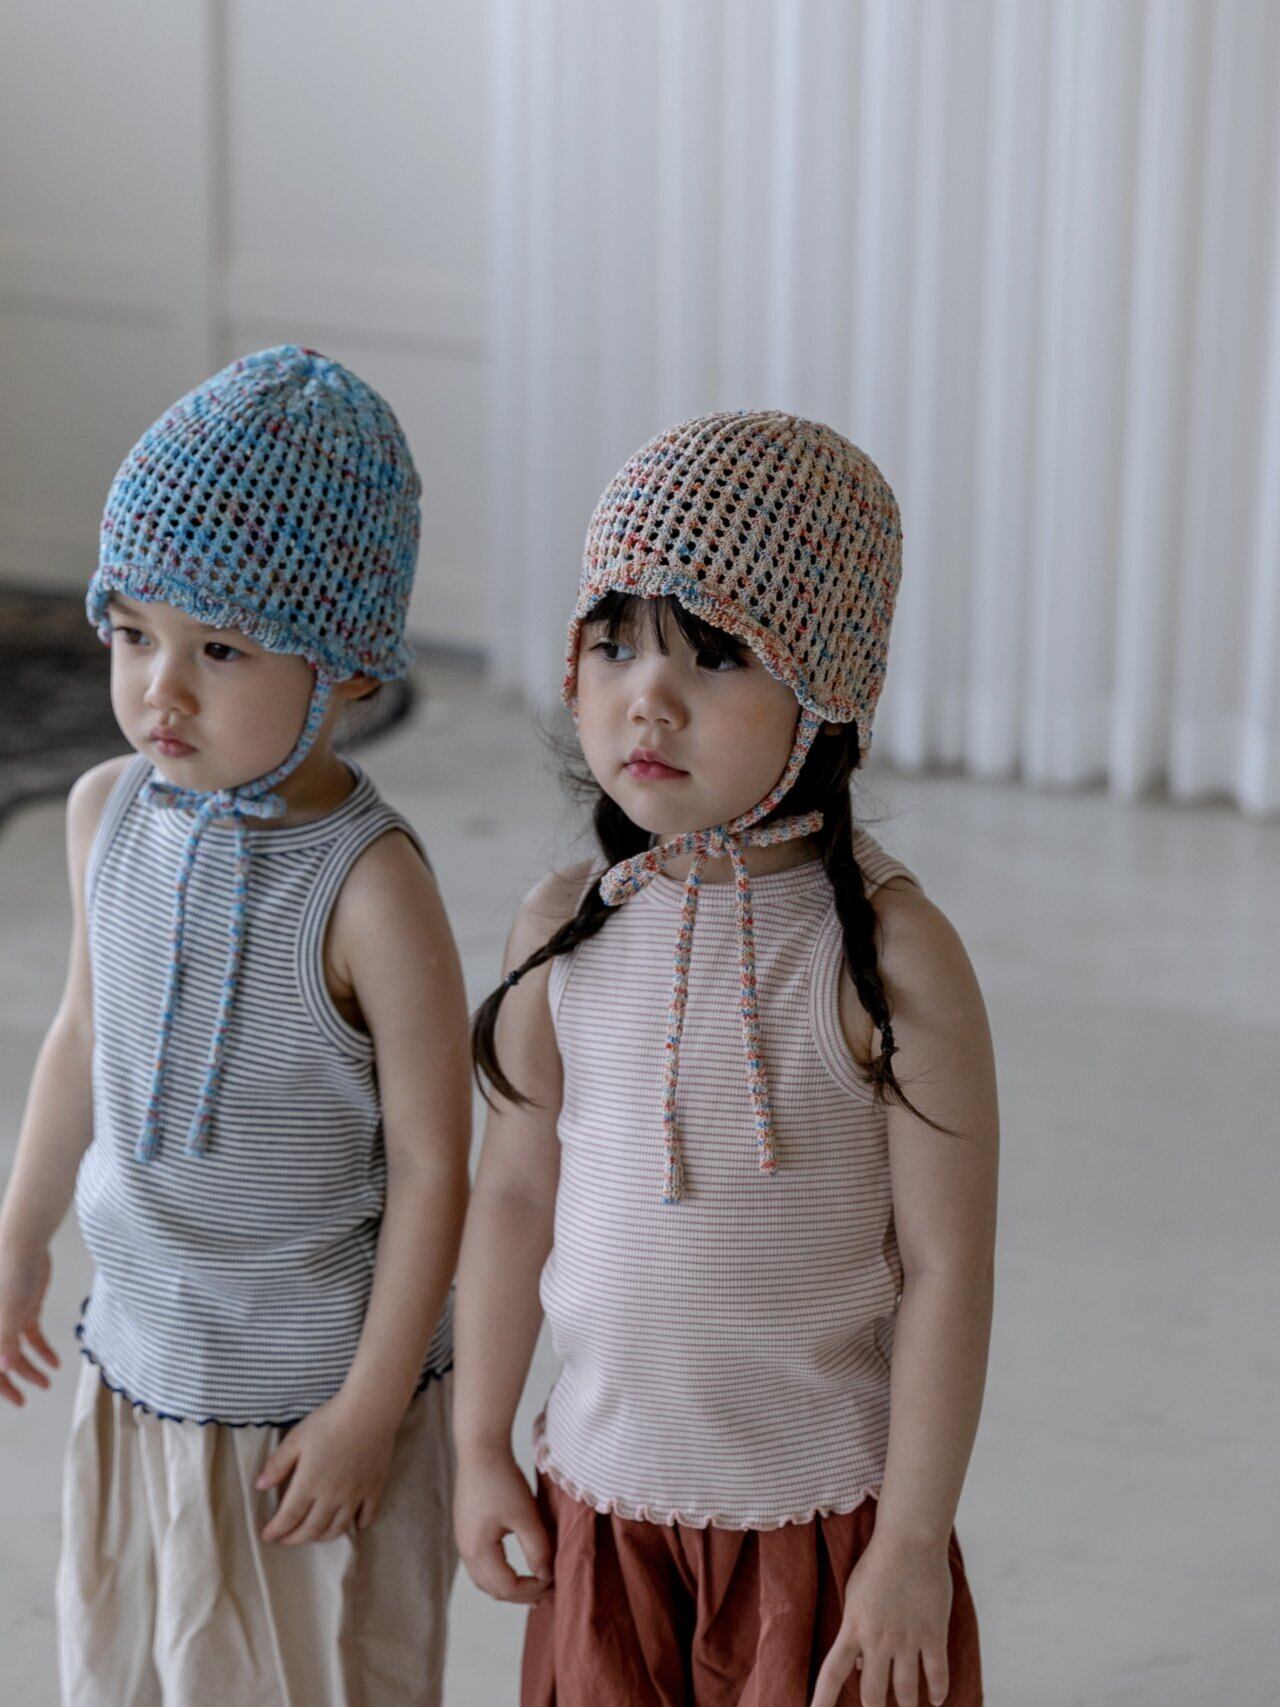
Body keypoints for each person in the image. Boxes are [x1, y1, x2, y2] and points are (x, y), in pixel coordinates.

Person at [454, 412, 996, 1707]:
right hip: (602, 1522)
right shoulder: (564, 929)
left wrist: (911, 1545)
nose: (648, 694)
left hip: (822, 1533)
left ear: (826, 694)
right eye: (616, 641)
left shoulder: (887, 955)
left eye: (718, 653)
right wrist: (478, 1444)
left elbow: (947, 1267)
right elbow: (514, 1197)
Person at [0, 346, 470, 1707]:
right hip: (143, 1359)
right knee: (134, 1666)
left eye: (221, 648)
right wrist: (22, 1232)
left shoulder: (371, 889)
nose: (163, 687)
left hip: (305, 1412)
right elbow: (82, 1037)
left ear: (348, 672)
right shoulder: (105, 815)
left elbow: (436, 1166)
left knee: (298, 1679)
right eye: (133, 633)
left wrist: (371, 1408)